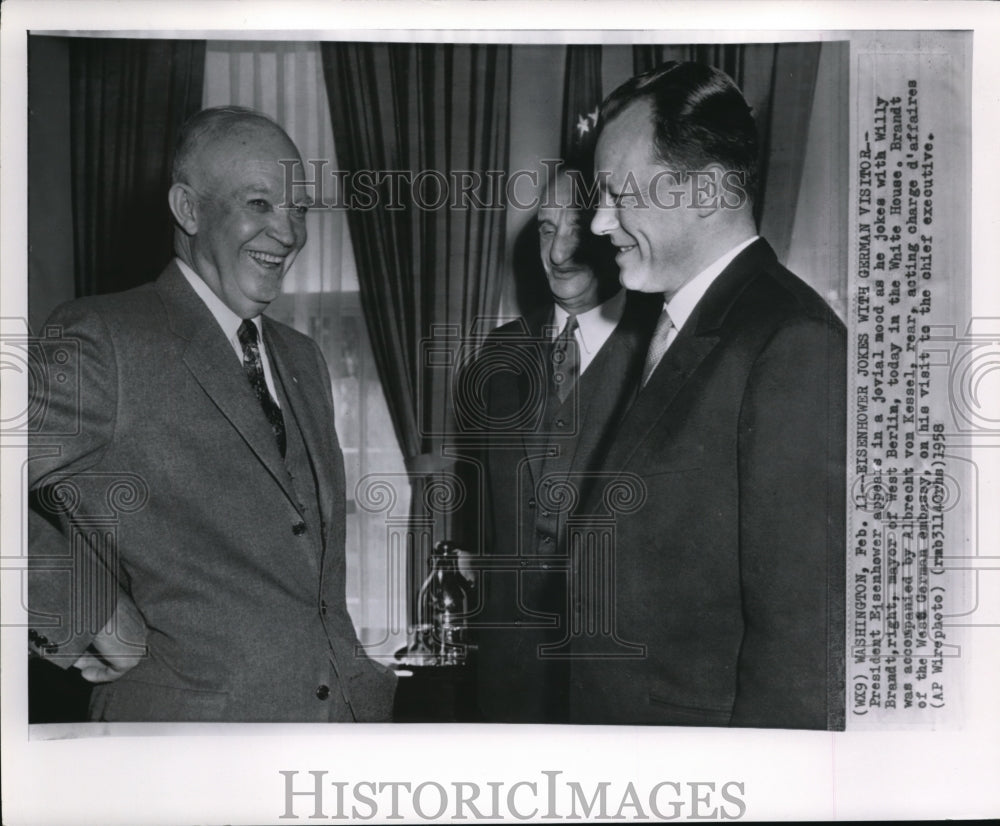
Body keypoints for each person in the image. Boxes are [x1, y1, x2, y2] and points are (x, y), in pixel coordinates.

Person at [27, 106, 396, 722]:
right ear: (188, 209)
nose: (289, 233)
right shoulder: (104, 339)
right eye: (260, 204)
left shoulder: (302, 358)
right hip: (182, 752)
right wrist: (85, 612)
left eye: (298, 209)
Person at [567, 61, 847, 729]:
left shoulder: (792, 342)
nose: (600, 224)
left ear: (707, 192)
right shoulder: (669, 328)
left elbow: (804, 644)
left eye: (619, 195)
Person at [462, 165, 661, 722]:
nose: (558, 252)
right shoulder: (498, 354)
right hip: (511, 673)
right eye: (547, 230)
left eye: (575, 228)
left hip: (620, 667)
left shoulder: (660, 346)